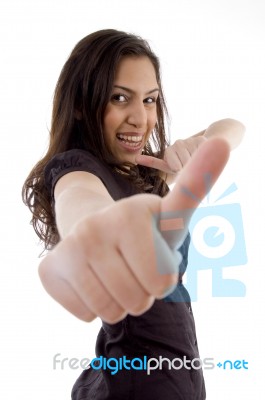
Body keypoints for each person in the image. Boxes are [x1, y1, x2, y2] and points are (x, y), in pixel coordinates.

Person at [22, 29, 245, 400]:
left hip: (176, 372)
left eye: (150, 99)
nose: (140, 118)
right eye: (120, 97)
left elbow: (233, 128)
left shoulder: (146, 169)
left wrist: (197, 145)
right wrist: (94, 227)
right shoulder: (78, 167)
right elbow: (79, 195)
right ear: (81, 105)